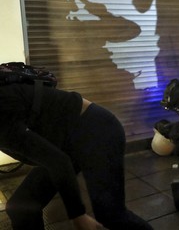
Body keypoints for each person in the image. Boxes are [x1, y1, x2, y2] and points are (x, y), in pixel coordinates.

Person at [0, 83, 152, 230]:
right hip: (65, 144)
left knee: (110, 214)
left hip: (98, 130)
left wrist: (77, 215)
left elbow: (58, 162)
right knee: (21, 206)